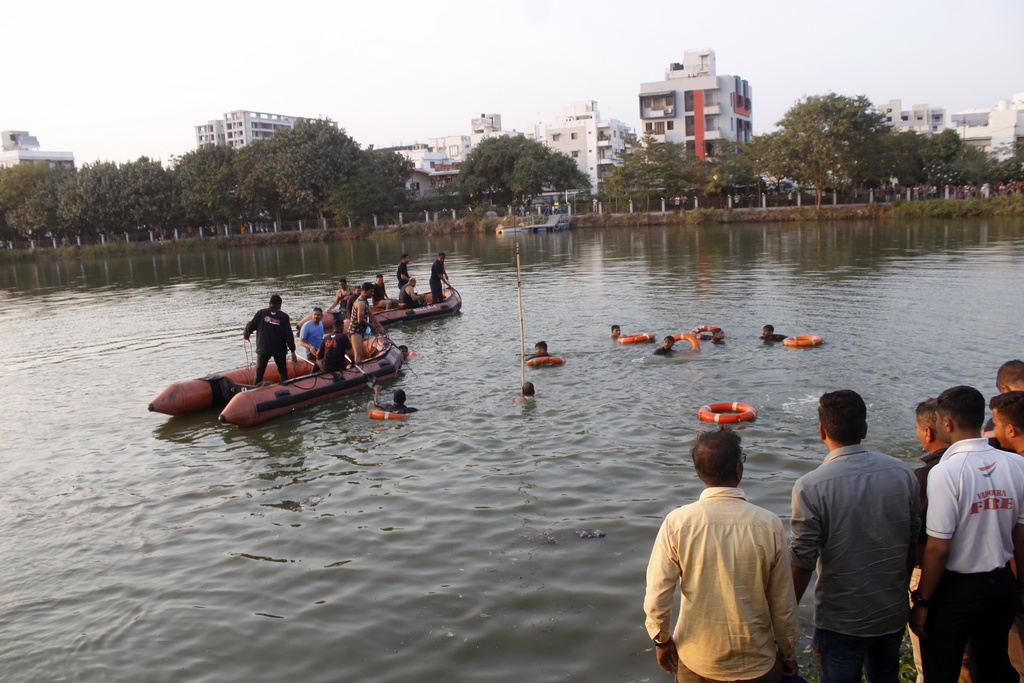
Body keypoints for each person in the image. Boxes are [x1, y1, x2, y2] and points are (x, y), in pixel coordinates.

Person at [645, 429, 800, 682]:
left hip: (697, 660)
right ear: (739, 469)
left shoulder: (678, 523)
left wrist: (661, 641)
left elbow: (658, 593)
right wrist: (788, 651)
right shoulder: (769, 524)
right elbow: (783, 604)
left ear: (698, 472)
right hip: (757, 662)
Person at [790, 389, 920, 682]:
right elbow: (913, 542)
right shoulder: (903, 473)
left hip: (840, 621)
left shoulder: (810, 486)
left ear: (822, 430)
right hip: (891, 613)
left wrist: (785, 618)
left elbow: (802, 562)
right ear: (864, 428)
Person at [910, 385, 1024, 683]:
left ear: (946, 424)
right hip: (1001, 585)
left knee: (941, 670)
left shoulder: (945, 472)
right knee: (994, 667)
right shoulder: (1017, 464)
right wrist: (1019, 586)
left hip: (957, 590)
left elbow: (938, 549)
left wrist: (922, 602)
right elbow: (1021, 537)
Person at [908, 398, 969, 683]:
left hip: (931, 576)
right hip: (979, 579)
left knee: (929, 662)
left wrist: (919, 599)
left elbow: (920, 539)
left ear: (928, 433)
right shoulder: (989, 463)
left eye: (918, 429)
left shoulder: (925, 477)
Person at [243, 294, 298, 385]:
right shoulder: (284, 317)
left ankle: (255, 391)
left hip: (263, 348)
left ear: (269, 303)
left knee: (259, 373)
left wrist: (246, 335)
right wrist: (293, 351)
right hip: (279, 349)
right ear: (280, 305)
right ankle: (285, 389)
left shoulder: (260, 313)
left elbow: (250, 326)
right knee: (282, 372)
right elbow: (289, 335)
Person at [349, 282, 384, 364]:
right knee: (359, 353)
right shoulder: (360, 303)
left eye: (373, 292)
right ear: (364, 291)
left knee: (362, 353)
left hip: (360, 330)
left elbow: (371, 316)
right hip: (355, 331)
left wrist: (380, 326)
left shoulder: (365, 302)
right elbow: (360, 320)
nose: (373, 294)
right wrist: (370, 325)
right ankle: (357, 370)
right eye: (371, 292)